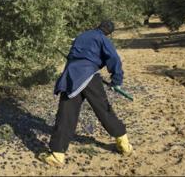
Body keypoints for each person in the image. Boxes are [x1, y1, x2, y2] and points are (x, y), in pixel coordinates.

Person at [42, 21, 133, 166]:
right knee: (103, 110)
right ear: (108, 32)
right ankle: (124, 145)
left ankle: (57, 155)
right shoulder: (102, 39)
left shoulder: (82, 35)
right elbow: (114, 59)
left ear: (98, 26)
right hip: (90, 76)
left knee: (66, 114)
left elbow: (74, 56)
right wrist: (116, 80)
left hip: (71, 76)